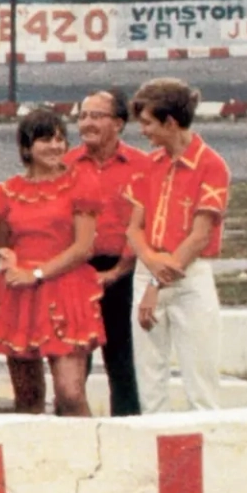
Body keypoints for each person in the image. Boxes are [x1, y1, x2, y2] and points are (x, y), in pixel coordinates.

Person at [0, 108, 102, 417]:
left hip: (65, 289)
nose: (55, 146)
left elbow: (83, 248)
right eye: (45, 140)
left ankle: (90, 458)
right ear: (26, 148)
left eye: (59, 139)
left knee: (70, 392)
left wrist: (36, 273)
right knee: (27, 398)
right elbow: (2, 245)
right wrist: (5, 257)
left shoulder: (80, 184)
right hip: (20, 295)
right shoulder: (7, 192)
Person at [124, 77, 228, 413]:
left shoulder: (211, 166)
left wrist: (156, 282)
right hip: (149, 269)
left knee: (201, 381)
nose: (143, 132)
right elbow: (134, 228)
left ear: (170, 122)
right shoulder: (148, 165)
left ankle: (208, 458)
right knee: (150, 383)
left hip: (187, 277)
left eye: (148, 123)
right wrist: (150, 264)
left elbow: (199, 236)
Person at [67, 88, 143, 416]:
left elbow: (145, 222)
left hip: (126, 269)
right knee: (72, 361)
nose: (87, 123)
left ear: (119, 123)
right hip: (76, 270)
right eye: (82, 116)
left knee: (122, 361)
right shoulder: (65, 165)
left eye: (96, 116)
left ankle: (128, 432)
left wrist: (117, 271)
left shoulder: (142, 165)